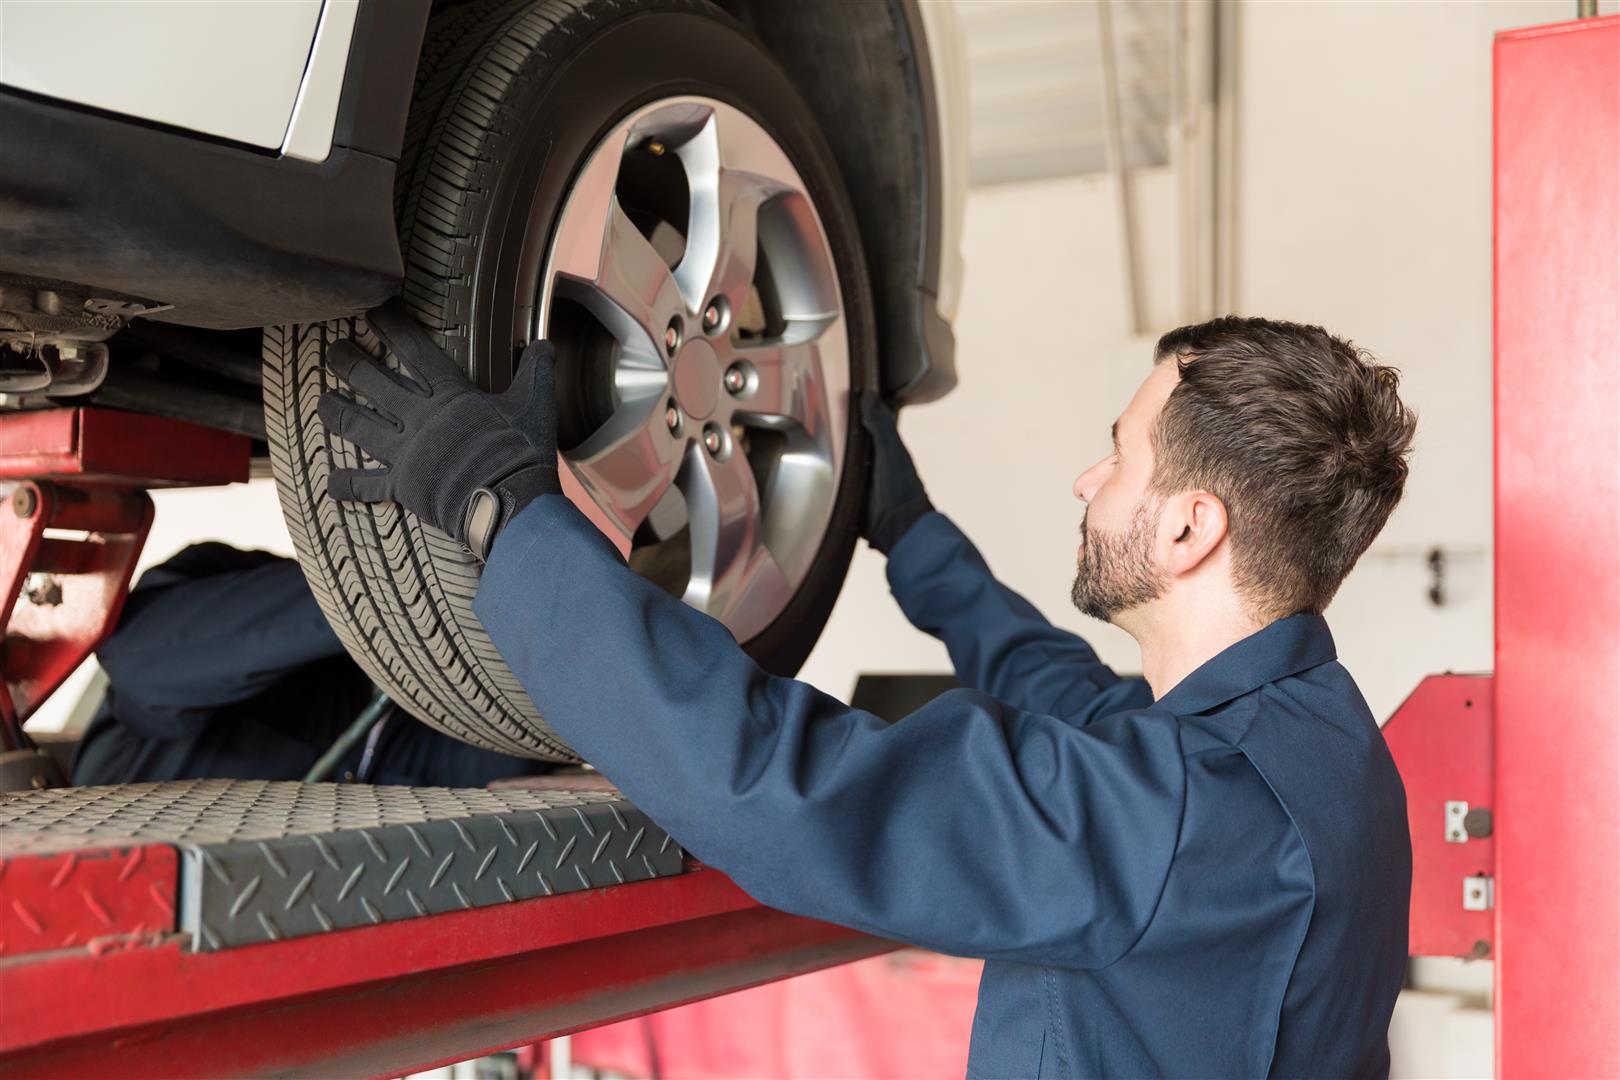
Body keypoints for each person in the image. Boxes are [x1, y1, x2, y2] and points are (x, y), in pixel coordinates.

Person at [319, 301, 1417, 1078]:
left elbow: (774, 782)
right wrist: (914, 538)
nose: (1090, 479)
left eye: (1119, 454)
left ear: (1189, 527)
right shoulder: (1310, 742)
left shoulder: (1188, 816)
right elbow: (1071, 701)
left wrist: (502, 512)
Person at [72, 541, 556, 789]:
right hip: (416, 768)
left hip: (379, 655)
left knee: (137, 663)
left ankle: (413, 587)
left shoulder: (116, 741)